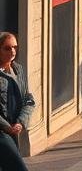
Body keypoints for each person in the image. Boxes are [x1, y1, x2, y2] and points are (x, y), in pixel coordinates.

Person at [0, 32, 32, 171]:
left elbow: (29, 100)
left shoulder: (18, 70)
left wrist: (20, 122)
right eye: (7, 48)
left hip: (14, 130)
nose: (12, 51)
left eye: (15, 47)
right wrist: (6, 126)